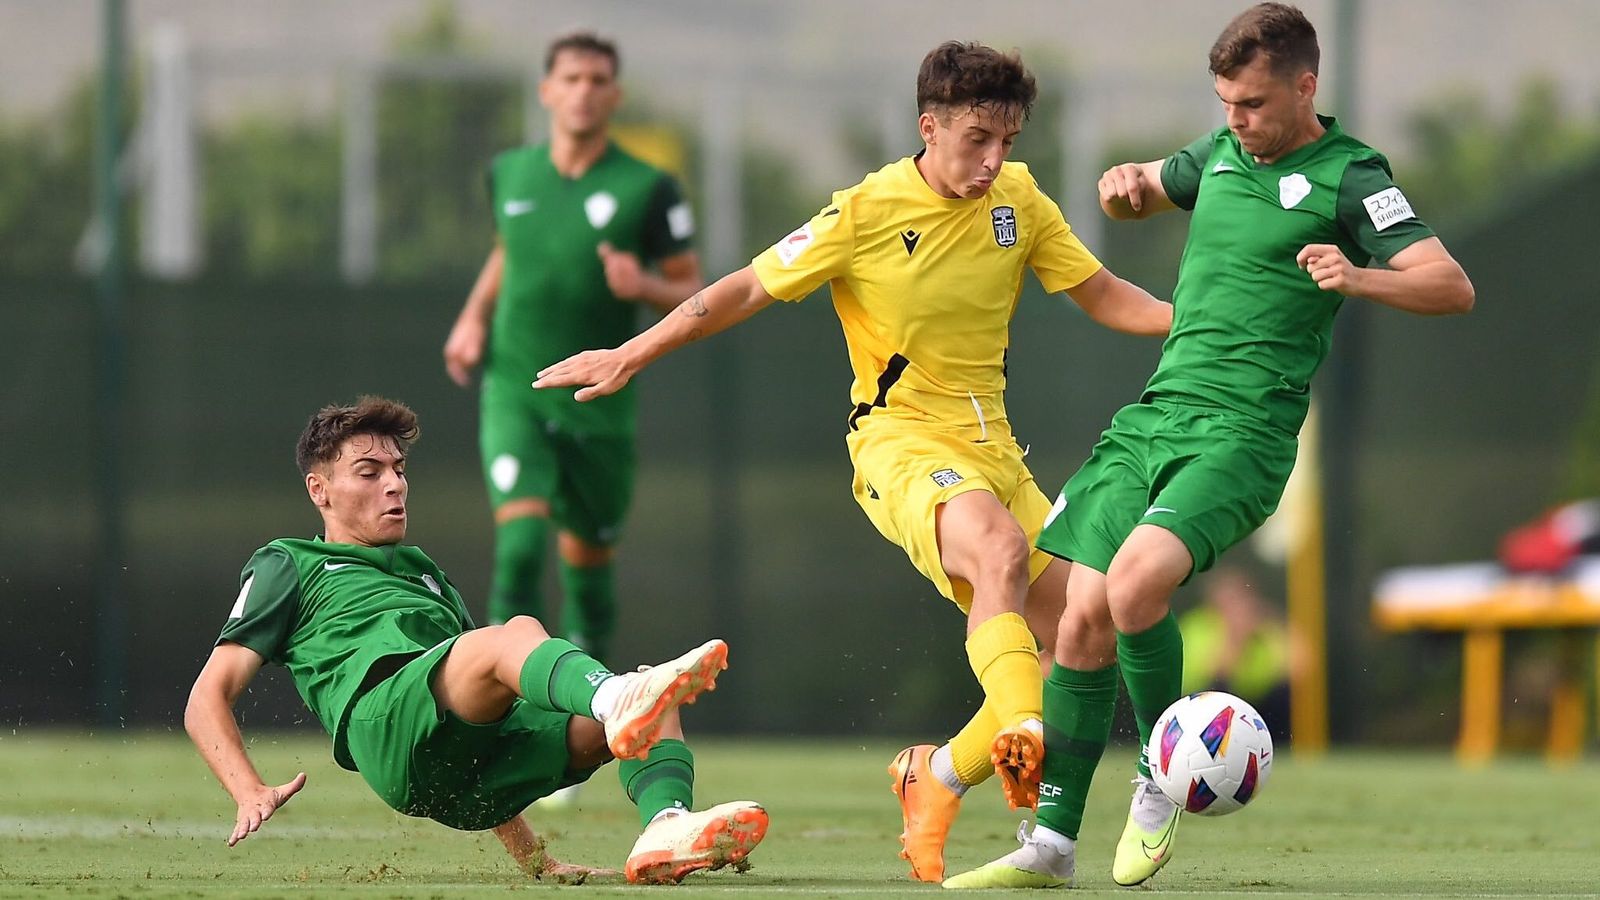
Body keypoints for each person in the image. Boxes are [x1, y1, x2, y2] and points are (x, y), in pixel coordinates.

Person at [534, 42, 1172, 882]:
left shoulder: (1019, 200)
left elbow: (1098, 292)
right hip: (900, 443)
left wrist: (1193, 325)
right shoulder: (867, 211)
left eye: (1008, 142)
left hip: (996, 452)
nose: (994, 161)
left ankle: (937, 776)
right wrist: (632, 350)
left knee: (1083, 632)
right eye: (977, 139)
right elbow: (744, 289)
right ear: (929, 125)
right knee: (1001, 556)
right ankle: (1024, 727)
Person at [945, 3, 1474, 889]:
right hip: (1153, 416)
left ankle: (1162, 774)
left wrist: (1360, 275)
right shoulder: (1221, 149)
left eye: (1255, 102)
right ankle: (1052, 846)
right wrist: (1130, 184)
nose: (1237, 118)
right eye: (1226, 100)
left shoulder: (1351, 178)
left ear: (1306, 87)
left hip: (1246, 433)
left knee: (1135, 582)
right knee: (1077, 616)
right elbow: (1161, 179)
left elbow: (1450, 285)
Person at [183, 397, 766, 885]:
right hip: (387, 725)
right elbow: (206, 697)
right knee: (519, 637)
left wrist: (537, 863)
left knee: (653, 696)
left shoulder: (422, 571)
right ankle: (615, 698)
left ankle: (665, 826)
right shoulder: (291, 562)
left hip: (466, 779)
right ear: (320, 490)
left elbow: (481, 707)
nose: (395, 485)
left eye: (399, 469)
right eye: (369, 472)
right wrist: (247, 789)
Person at [443, 32, 703, 666]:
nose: (583, 92)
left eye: (596, 81)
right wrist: (472, 317)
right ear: (547, 91)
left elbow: (694, 289)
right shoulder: (509, 173)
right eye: (571, 79)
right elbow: (510, 248)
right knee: (522, 543)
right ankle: (501, 688)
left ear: (614, 95)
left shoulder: (649, 188)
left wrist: (640, 284)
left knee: (587, 557)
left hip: (599, 393)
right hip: (518, 385)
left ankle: (590, 703)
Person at [1179, 565, 1292, 745]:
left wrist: (1273, 625)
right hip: (1204, 709)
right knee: (1218, 689)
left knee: (1285, 694)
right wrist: (1236, 638)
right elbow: (1217, 675)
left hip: (1257, 709)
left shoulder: (1263, 629)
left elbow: (1301, 667)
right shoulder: (1198, 626)